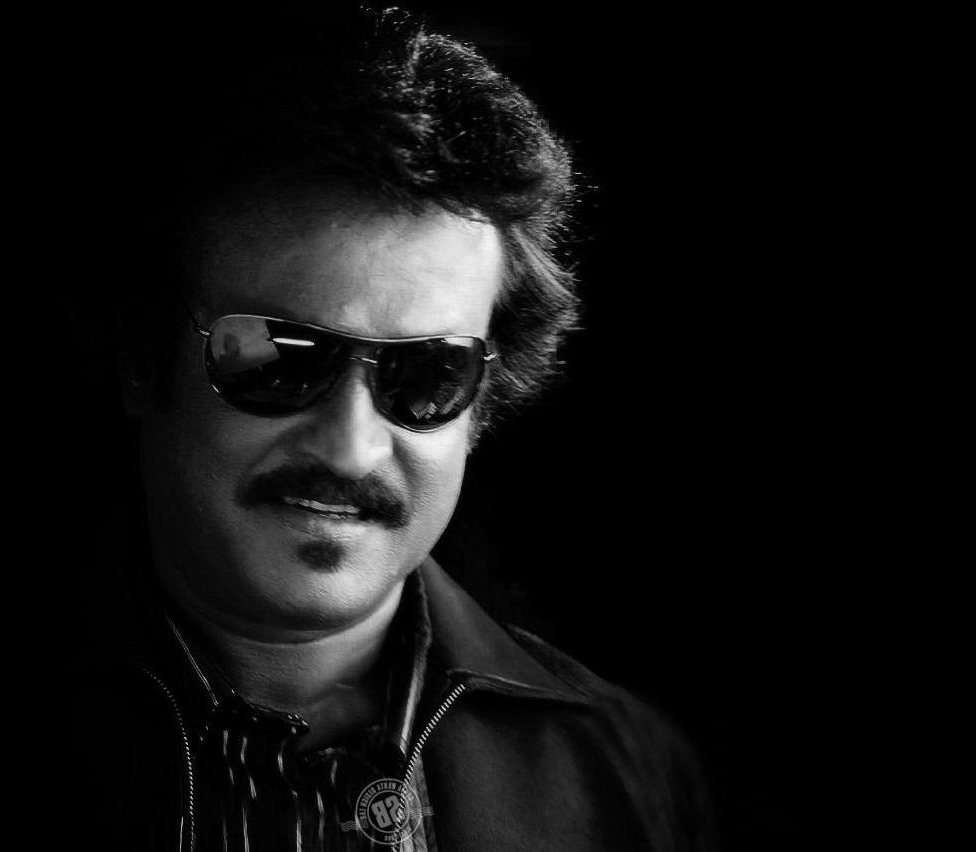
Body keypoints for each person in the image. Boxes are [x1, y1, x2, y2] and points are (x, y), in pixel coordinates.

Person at [66, 7, 713, 850]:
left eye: (428, 376)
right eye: (276, 359)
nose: (351, 447)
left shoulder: (630, 772)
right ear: (140, 359)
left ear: (482, 403)